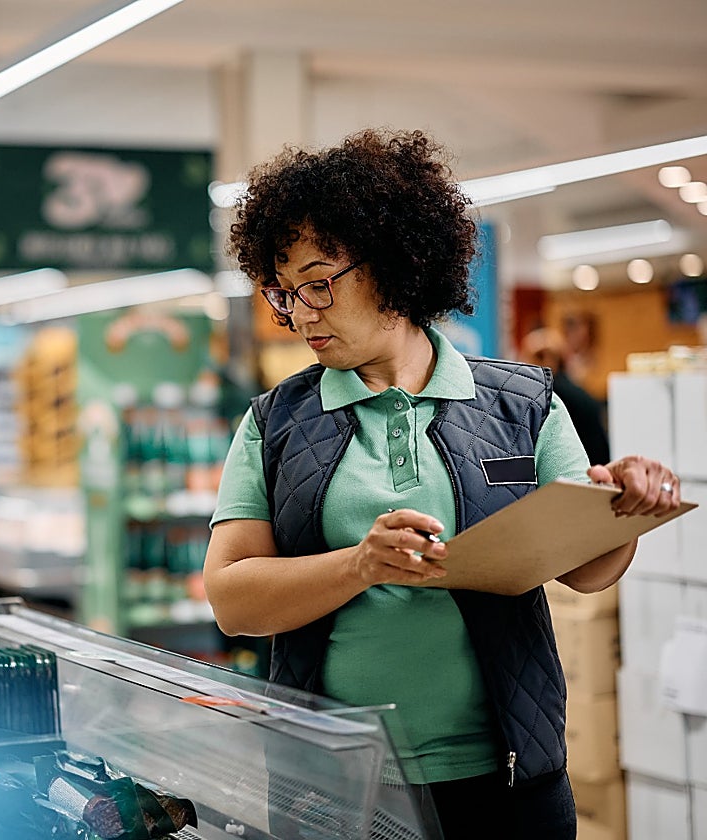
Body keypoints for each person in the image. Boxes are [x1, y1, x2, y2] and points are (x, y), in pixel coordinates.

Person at [202, 128, 682, 840]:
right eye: (284, 292)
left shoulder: (523, 404)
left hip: (509, 780)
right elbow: (232, 599)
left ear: (392, 266)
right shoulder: (275, 425)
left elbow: (587, 571)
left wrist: (623, 513)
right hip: (335, 789)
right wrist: (360, 564)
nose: (300, 313)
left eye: (318, 283)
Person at [520, 327, 611, 466]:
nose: (523, 363)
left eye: (528, 357)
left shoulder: (550, 396)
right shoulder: (572, 390)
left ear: (548, 358)